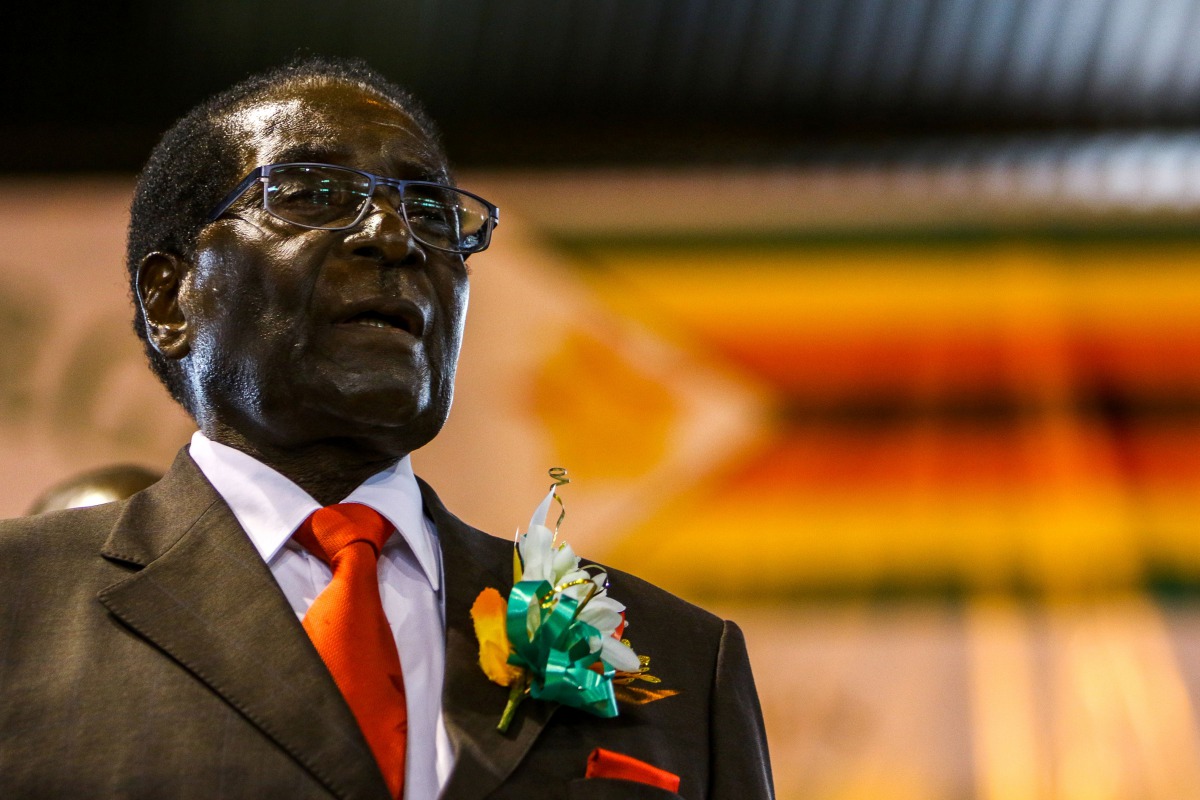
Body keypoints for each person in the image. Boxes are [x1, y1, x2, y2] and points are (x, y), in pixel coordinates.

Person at [0, 58, 772, 799]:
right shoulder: (20, 607)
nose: (395, 237)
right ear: (172, 300)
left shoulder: (680, 663)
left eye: (432, 211)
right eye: (311, 194)